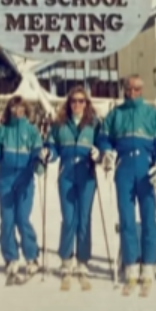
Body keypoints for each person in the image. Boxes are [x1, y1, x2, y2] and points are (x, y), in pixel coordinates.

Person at [96, 74, 156, 294]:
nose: (132, 92)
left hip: (146, 168)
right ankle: (130, 263)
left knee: (149, 217)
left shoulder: (151, 113)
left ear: (142, 89)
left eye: (137, 88)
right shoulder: (115, 114)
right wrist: (107, 152)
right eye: (129, 88)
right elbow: (103, 137)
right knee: (126, 218)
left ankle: (149, 264)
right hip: (124, 167)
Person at [0, 96, 44, 284]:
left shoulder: (32, 131)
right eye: (14, 108)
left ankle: (31, 256)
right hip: (5, 179)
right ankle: (11, 257)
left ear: (26, 110)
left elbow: (37, 151)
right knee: (7, 220)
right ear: (10, 110)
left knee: (22, 219)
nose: (17, 111)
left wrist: (38, 163)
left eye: (21, 108)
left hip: (24, 179)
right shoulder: (1, 130)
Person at [44, 86, 102, 286]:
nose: (77, 104)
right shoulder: (60, 124)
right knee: (69, 218)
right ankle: (66, 258)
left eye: (81, 101)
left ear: (87, 104)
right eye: (74, 101)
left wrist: (99, 154)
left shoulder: (94, 124)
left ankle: (83, 260)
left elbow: (102, 144)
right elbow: (52, 145)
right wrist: (48, 153)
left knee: (84, 218)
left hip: (87, 175)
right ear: (68, 104)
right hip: (67, 175)